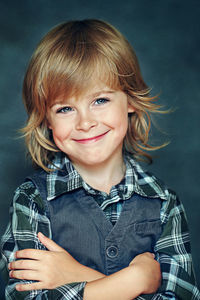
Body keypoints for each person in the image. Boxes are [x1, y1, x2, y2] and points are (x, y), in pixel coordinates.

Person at [0, 19, 199, 300]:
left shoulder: (165, 204)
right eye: (65, 108)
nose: (85, 122)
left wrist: (74, 274)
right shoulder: (32, 199)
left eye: (100, 101)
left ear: (130, 100)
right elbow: (23, 296)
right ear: (46, 120)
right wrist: (137, 279)